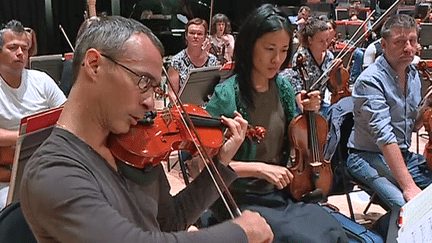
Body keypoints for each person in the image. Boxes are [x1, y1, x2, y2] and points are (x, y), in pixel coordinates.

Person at [20, 15, 274, 243]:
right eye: (143, 81)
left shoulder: (134, 147)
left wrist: (220, 162)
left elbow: (170, 221)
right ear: (95, 64)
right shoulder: (52, 172)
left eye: (154, 88)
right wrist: (241, 232)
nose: (150, 102)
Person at [205, 4, 348, 243]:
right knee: (305, 238)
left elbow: (295, 139)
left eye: (283, 50)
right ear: (250, 46)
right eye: (270, 49)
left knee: (332, 230)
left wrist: (307, 114)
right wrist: (260, 168)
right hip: (242, 197)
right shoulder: (227, 95)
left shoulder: (282, 87)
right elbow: (207, 166)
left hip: (281, 193)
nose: (277, 59)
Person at [346, 14, 432, 209]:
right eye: (400, 42)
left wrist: (426, 104)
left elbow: (412, 125)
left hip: (402, 155)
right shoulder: (370, 81)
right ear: (383, 45)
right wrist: (409, 186)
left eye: (412, 41)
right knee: (408, 206)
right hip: (366, 156)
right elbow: (385, 138)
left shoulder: (413, 75)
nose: (408, 48)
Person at [0, 20, 66, 210]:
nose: (20, 53)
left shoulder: (42, 81)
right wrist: (27, 137)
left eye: (24, 48)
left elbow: (68, 115)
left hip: (45, 165)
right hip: (7, 176)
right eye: (13, 47)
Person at [280, 17, 334, 117]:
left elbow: (331, 86)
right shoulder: (301, 56)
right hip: (302, 104)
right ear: (310, 40)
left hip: (321, 104)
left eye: (327, 40)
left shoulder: (329, 57)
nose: (325, 44)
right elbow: (297, 88)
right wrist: (308, 112)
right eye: (321, 41)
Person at [168, 18, 218, 94]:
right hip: (182, 105)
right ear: (186, 35)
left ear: (205, 37)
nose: (195, 36)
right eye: (192, 33)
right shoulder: (176, 60)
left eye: (200, 34)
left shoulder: (213, 60)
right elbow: (172, 93)